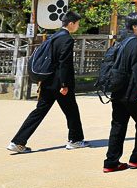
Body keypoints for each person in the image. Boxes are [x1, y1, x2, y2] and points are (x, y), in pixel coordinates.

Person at [8, 11, 88, 154]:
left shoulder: (54, 36)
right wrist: (64, 84)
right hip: (60, 84)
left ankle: (17, 142)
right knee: (72, 112)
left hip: (47, 81)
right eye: (77, 23)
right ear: (71, 23)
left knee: (39, 112)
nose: (78, 26)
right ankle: (75, 140)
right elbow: (64, 64)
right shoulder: (67, 39)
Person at [103, 12, 137, 172]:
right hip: (131, 92)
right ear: (135, 27)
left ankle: (111, 162)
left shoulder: (122, 42)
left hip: (117, 89)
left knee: (118, 125)